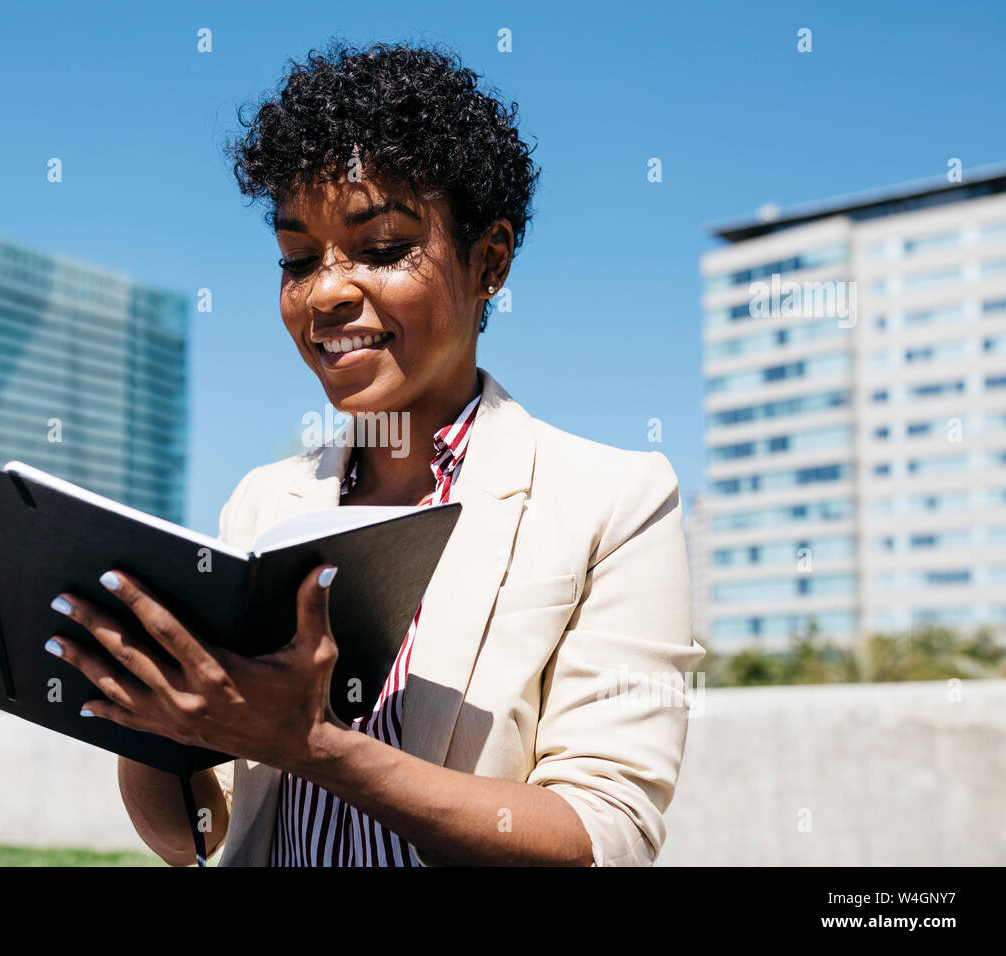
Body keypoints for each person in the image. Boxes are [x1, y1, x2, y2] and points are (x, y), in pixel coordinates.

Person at [44, 40, 704, 866]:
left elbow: (603, 835)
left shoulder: (615, 500)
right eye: (295, 259)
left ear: (489, 261)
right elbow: (200, 840)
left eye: (383, 248)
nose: (325, 290)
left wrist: (318, 747)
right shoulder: (262, 504)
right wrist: (143, 718)